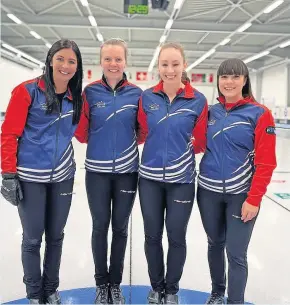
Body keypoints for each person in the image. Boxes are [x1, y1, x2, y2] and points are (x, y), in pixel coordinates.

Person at [1, 39, 83, 304]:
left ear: (77, 66)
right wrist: (8, 175)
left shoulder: (76, 98)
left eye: (71, 61)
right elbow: (9, 134)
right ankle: (34, 294)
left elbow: (82, 133)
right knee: (33, 238)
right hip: (30, 177)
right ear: (50, 60)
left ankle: (50, 288)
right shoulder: (26, 92)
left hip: (62, 177)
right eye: (60, 59)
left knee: (56, 237)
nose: (65, 65)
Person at [197, 58, 277, 304]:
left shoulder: (260, 114)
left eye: (235, 76)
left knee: (236, 253)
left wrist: (253, 199)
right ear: (218, 81)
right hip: (208, 192)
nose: (229, 82)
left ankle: (235, 301)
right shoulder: (210, 112)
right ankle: (217, 293)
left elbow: (266, 163)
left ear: (244, 80)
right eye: (224, 77)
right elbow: (197, 144)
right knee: (214, 244)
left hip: (241, 196)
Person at [137, 42, 208, 304]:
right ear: (158, 67)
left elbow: (201, 142)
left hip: (182, 181)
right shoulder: (147, 98)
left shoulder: (198, 100)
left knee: (176, 237)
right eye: (165, 64)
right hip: (149, 181)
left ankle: (172, 290)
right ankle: (157, 287)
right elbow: (142, 133)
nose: (170, 69)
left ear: (184, 65)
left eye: (175, 64)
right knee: (152, 236)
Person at [74, 38, 142, 304]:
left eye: (118, 59)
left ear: (126, 61)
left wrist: (123, 145)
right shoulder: (89, 93)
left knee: (121, 228)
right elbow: (80, 132)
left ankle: (115, 284)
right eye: (108, 59)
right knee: (100, 226)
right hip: (97, 172)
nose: (113, 64)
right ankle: (101, 283)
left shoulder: (137, 94)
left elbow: (143, 130)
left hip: (127, 171)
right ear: (100, 61)